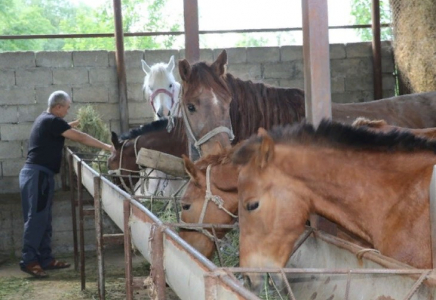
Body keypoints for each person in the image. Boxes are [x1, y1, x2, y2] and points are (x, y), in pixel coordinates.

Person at [19, 90, 114, 278]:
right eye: (67, 108)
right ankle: (29, 261)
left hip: (37, 175)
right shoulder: (51, 121)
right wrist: (106, 146)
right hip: (37, 176)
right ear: (58, 107)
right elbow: (79, 137)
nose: (68, 112)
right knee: (37, 219)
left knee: (44, 220)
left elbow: (65, 128)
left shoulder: (46, 120)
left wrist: (77, 123)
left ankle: (45, 259)